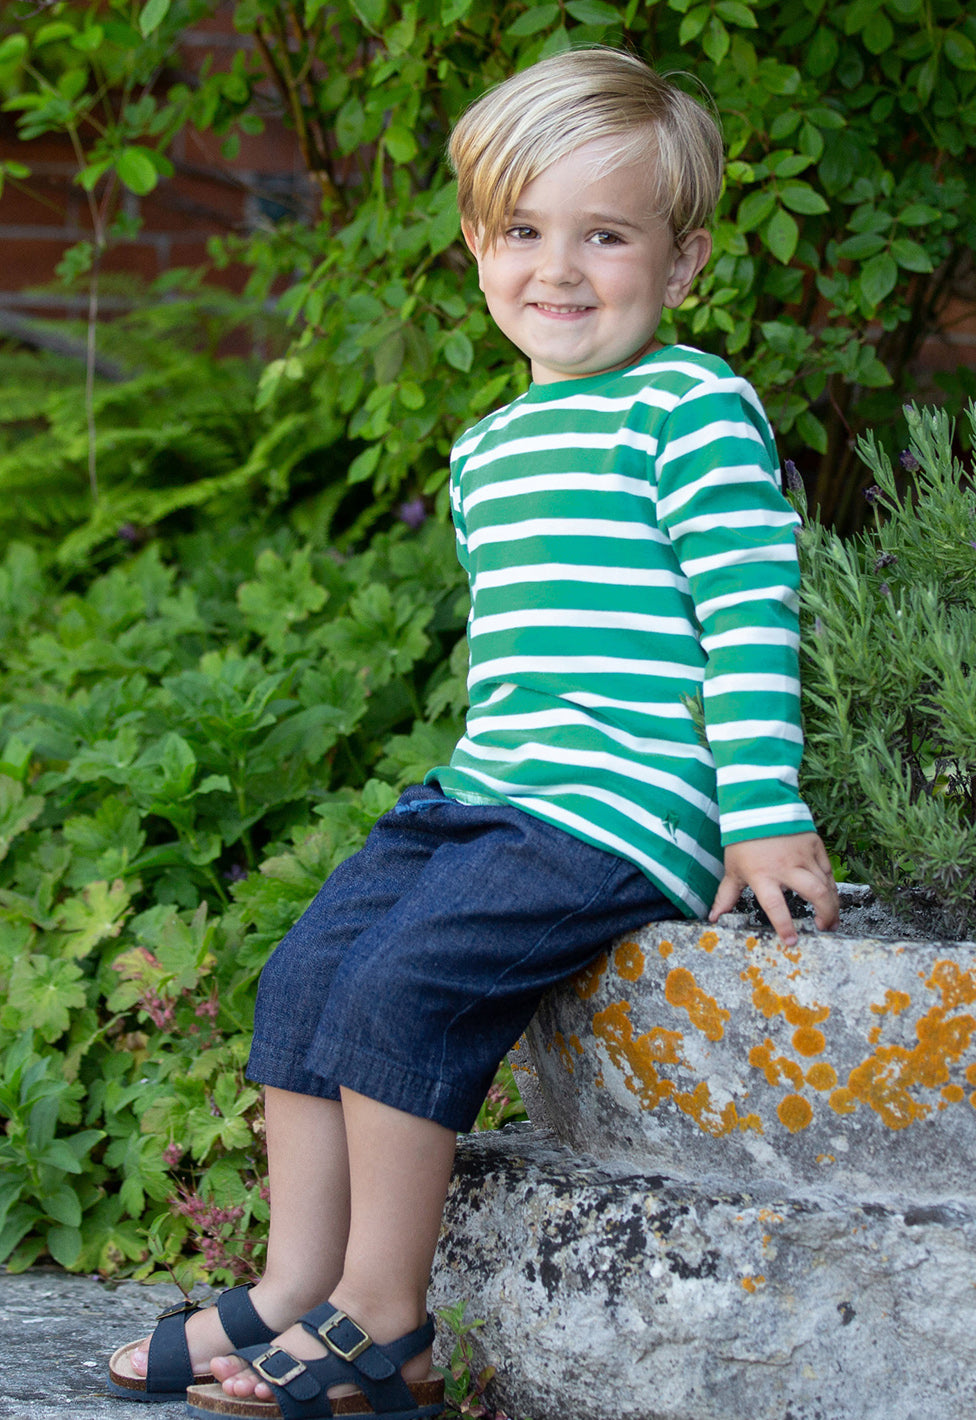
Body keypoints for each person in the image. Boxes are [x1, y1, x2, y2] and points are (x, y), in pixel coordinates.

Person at [107, 45, 839, 1420]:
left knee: (403, 992)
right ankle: (295, 1284)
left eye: (604, 236)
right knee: (305, 977)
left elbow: (749, 613)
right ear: (475, 247)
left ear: (682, 263)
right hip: (491, 792)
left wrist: (759, 810)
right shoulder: (487, 449)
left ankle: (387, 1321)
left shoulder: (690, 407)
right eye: (522, 232)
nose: (557, 270)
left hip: (620, 806)